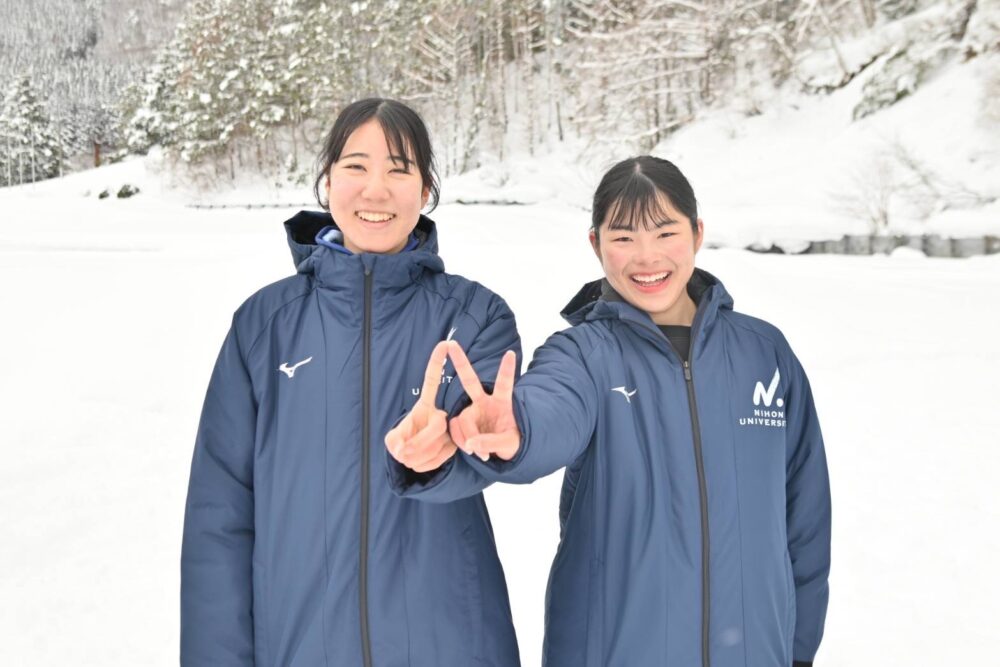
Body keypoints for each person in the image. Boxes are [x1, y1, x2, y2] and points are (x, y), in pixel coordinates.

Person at [388, 156, 831, 666]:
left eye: (666, 233)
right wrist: (518, 431)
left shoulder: (763, 353)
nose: (647, 257)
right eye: (623, 237)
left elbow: (805, 515)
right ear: (596, 244)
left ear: (697, 233)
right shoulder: (584, 354)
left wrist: (799, 651)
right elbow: (550, 408)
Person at [181, 98, 522, 666]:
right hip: (298, 646)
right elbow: (219, 518)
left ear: (426, 189)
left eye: (399, 169)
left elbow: (485, 441)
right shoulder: (264, 326)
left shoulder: (474, 316)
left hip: (449, 645)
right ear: (327, 181)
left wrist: (442, 448)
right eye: (356, 166)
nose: (375, 190)